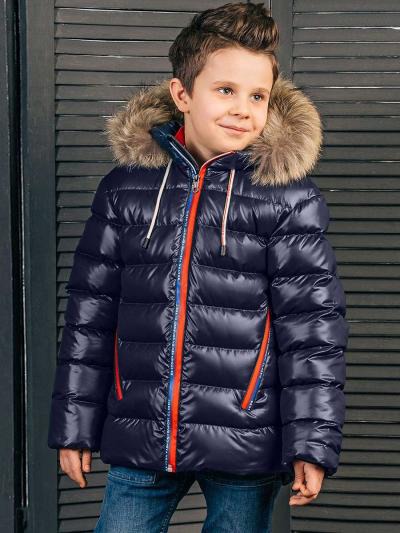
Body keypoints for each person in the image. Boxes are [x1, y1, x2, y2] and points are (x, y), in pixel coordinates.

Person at [47, 2, 349, 532]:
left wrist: (312, 442)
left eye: (257, 96)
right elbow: (90, 315)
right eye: (225, 90)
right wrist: (75, 425)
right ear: (182, 94)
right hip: (143, 426)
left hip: (246, 435)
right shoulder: (125, 189)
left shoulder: (286, 197)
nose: (243, 109)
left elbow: (312, 330)